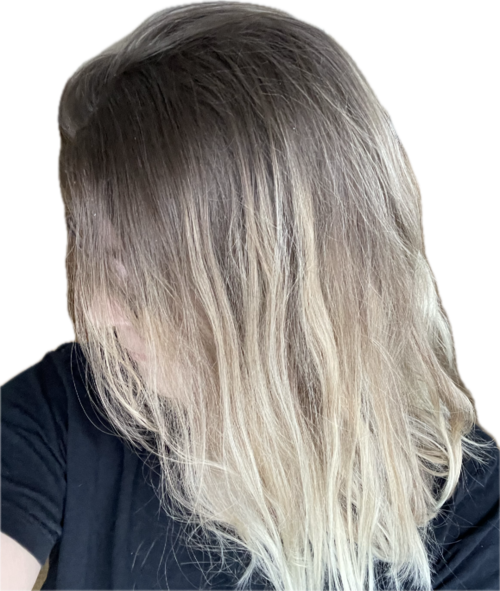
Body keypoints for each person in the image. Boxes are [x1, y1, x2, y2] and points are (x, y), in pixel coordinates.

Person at [1, 1, 499, 590]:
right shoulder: (68, 407)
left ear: (274, 279)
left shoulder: (468, 511)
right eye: (101, 265)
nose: (98, 314)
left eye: (141, 280)